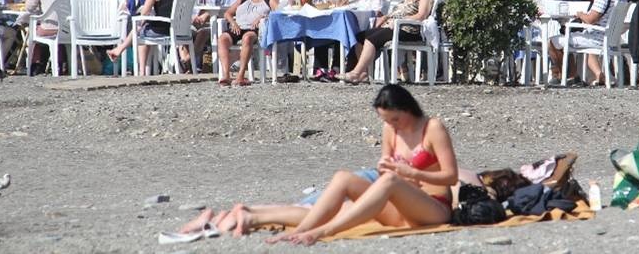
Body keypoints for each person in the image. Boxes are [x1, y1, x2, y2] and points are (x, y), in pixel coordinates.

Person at [176, 85, 457, 244]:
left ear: (408, 109)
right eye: (386, 120)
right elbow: (385, 168)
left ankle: (323, 231)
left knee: (388, 182)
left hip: (433, 208)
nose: (392, 125)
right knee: (344, 177)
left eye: (395, 119)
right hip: (401, 206)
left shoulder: (432, 128)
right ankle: (300, 229)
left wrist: (411, 172)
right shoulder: (390, 130)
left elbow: (450, 176)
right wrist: (389, 167)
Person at [107, 0, 208, 75]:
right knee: (142, 27)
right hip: (180, 30)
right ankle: (120, 50)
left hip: (161, 30)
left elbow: (144, 13)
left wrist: (153, 2)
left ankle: (141, 70)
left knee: (141, 30)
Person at [341, 0, 433, 84]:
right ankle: (363, 73)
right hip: (393, 26)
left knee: (371, 39)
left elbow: (421, 16)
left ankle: (356, 73)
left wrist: (400, 20)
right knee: (359, 36)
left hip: (408, 29)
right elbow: (394, 13)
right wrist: (384, 18)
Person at [546, 0, 629, 86]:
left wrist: (580, 14)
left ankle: (569, 76)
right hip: (610, 37)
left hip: (597, 38)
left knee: (553, 41)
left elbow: (591, 20)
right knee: (571, 39)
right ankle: (599, 75)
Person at [216, 0, 272, 87]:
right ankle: (226, 75)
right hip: (238, 27)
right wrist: (233, 22)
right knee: (222, 38)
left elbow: (278, 14)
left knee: (247, 37)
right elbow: (228, 13)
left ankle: (240, 76)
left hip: (255, 29)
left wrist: (263, 17)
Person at [16, 0, 71, 76]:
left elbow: (29, 7)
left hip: (48, 29)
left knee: (32, 31)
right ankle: (59, 64)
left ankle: (36, 63)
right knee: (45, 32)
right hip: (66, 30)